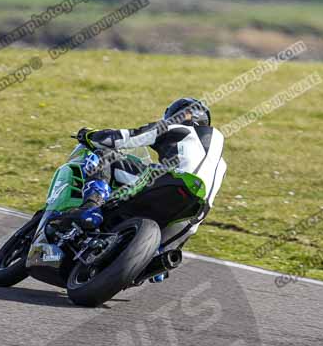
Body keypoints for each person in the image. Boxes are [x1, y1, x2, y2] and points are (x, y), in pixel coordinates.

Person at [60, 98, 227, 282]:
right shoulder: (221, 163)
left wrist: (91, 135)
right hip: (195, 213)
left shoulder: (177, 128)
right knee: (158, 262)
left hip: (171, 182)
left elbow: (128, 137)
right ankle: (156, 262)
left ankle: (91, 207)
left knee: (103, 156)